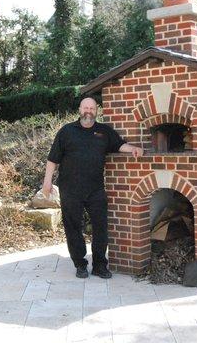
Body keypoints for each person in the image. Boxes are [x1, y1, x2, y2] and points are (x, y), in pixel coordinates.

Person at [42, 97, 143, 279]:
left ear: (97, 111)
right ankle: (80, 264)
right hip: (70, 189)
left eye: (92, 108)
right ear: (80, 110)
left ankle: (99, 265)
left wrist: (134, 149)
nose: (89, 111)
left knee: (101, 227)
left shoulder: (104, 132)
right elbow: (53, 159)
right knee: (73, 227)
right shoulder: (66, 131)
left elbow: (120, 145)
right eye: (85, 107)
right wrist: (47, 182)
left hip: (95, 188)